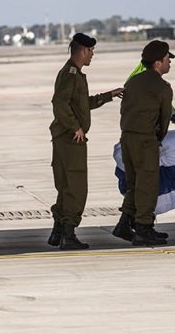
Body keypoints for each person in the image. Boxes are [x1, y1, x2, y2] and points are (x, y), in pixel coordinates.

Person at [49, 33, 124, 250]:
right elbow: (59, 103)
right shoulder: (71, 74)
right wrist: (76, 127)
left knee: (65, 186)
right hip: (70, 138)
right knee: (76, 186)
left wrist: (109, 95)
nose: (93, 55)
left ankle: (59, 231)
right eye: (91, 51)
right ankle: (69, 234)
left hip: (64, 137)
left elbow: (81, 103)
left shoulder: (73, 73)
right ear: (83, 50)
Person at [113, 40, 174, 246]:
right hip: (145, 140)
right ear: (157, 63)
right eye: (167, 60)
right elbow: (164, 120)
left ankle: (124, 223)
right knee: (147, 185)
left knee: (134, 184)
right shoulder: (163, 87)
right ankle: (143, 228)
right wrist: (156, 139)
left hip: (127, 138)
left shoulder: (133, 82)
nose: (169, 63)